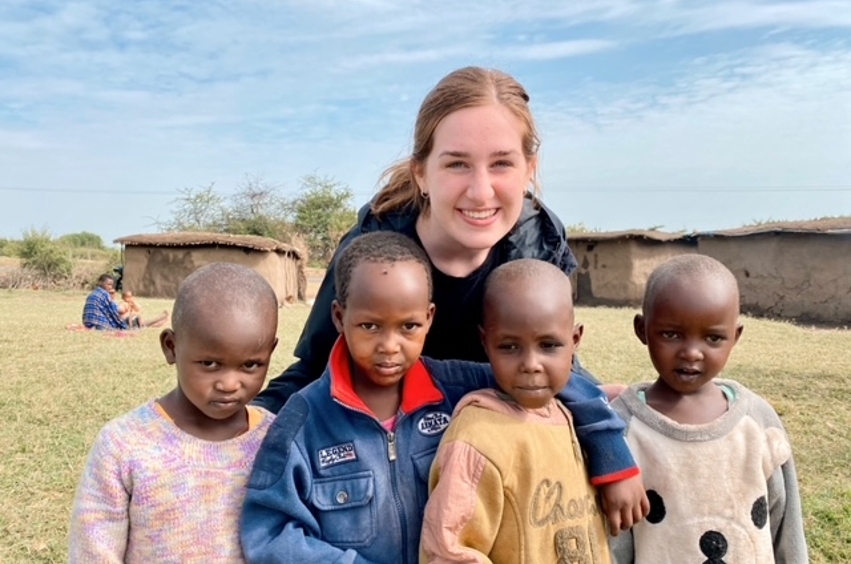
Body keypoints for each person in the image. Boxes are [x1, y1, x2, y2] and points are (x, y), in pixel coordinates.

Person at [241, 233, 643, 564]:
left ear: (429, 318)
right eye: (369, 325)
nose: (389, 346)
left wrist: (613, 455)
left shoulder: (456, 389)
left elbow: (547, 376)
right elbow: (270, 533)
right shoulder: (305, 420)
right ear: (338, 317)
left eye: (409, 326)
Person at [255, 66, 609, 415]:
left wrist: (612, 407)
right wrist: (249, 423)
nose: (481, 192)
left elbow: (557, 367)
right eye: (457, 164)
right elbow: (315, 371)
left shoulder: (541, 246)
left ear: (529, 170)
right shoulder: (372, 249)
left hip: (492, 435)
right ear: (421, 173)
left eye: (501, 163)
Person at [68, 263, 279, 563]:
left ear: (270, 353)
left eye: (250, 365)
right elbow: (93, 550)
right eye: (209, 364)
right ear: (171, 347)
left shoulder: (278, 440)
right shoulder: (124, 444)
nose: (229, 384)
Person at [608, 254, 808, 564]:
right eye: (671, 334)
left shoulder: (757, 421)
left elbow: (785, 520)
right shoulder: (621, 428)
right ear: (642, 330)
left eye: (713, 338)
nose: (691, 352)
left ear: (735, 337)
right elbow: (614, 541)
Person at [420, 259, 617, 563]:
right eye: (510, 347)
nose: (530, 364)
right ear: (485, 343)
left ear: (575, 340)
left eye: (549, 345)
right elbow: (449, 551)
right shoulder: (477, 439)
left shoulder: (572, 415)